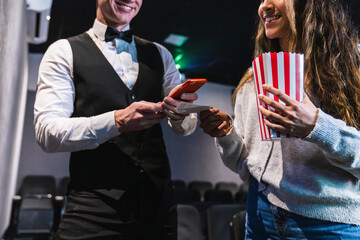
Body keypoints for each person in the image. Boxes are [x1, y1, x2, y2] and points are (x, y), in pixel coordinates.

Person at [34, 0, 198, 239]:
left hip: (158, 208)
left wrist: (182, 114)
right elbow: (47, 132)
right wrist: (116, 122)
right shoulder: (63, 51)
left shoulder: (161, 54)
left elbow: (185, 127)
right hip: (92, 208)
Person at [199, 0, 360, 238]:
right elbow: (245, 163)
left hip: (327, 223)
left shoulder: (351, 66)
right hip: (260, 216)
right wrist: (226, 135)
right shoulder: (253, 78)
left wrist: (316, 126)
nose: (264, 6)